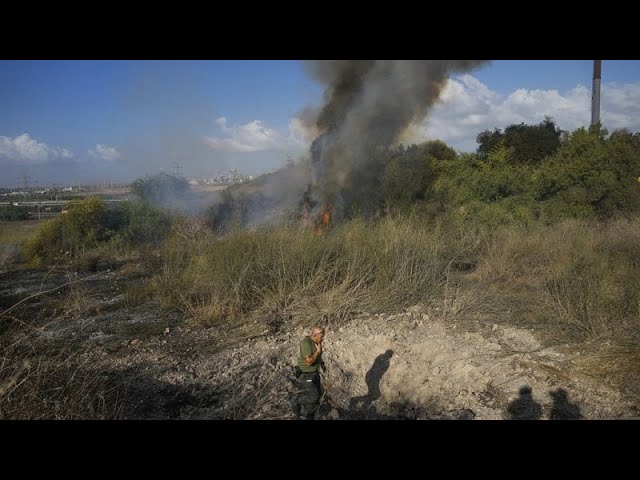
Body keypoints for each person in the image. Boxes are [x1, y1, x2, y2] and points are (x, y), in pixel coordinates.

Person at [294, 325, 326, 419]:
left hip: (315, 373)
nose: (323, 338)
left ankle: (309, 416)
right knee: (314, 396)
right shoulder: (306, 343)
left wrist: (322, 364)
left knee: (318, 395)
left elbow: (319, 356)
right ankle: (296, 401)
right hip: (305, 374)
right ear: (315, 335)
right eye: (321, 336)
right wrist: (318, 352)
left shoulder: (317, 342)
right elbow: (308, 362)